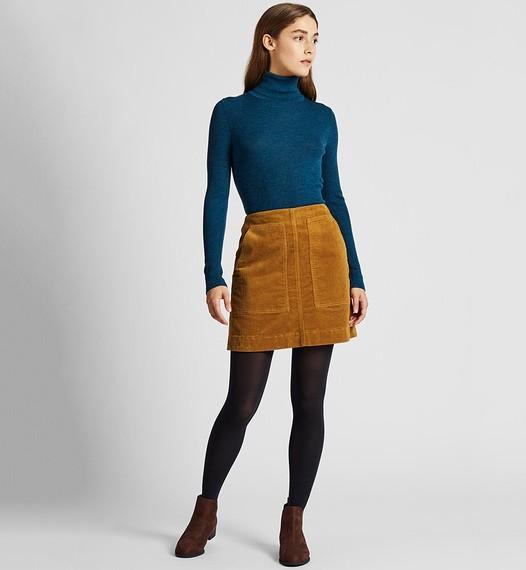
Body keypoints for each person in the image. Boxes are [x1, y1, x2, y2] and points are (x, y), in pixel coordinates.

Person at [175, 3, 368, 566]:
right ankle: (205, 510)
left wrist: (356, 276)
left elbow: (335, 197)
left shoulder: (321, 117)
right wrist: (212, 273)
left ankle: (293, 520)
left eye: (316, 39)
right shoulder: (231, 113)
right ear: (268, 41)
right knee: (242, 400)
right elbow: (216, 193)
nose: (310, 48)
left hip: (322, 251)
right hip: (262, 251)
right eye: (299, 36)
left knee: (309, 399)